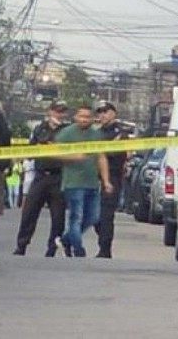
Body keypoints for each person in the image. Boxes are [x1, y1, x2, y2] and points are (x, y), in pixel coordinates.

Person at [56, 104, 112, 258]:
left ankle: (67, 240)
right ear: (75, 117)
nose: (84, 120)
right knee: (76, 216)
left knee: (93, 217)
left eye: (87, 117)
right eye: (81, 116)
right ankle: (78, 249)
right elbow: (55, 152)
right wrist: (74, 156)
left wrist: (106, 181)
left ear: (92, 118)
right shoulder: (66, 133)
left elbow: (101, 157)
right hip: (73, 183)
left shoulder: (96, 135)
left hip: (92, 183)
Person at [13, 100, 68, 257]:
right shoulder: (39, 129)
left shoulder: (67, 130)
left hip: (59, 176)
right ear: (50, 111)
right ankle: (21, 245)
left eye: (62, 111)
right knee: (29, 212)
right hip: (41, 175)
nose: (59, 114)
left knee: (58, 217)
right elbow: (31, 151)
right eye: (57, 111)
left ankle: (52, 248)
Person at [94, 101, 128, 259]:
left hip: (113, 177)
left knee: (106, 215)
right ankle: (103, 241)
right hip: (95, 176)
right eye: (100, 112)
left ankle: (105, 249)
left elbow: (119, 153)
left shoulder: (121, 132)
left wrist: (104, 150)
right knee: (94, 215)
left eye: (105, 111)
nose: (102, 115)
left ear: (114, 113)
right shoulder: (96, 133)